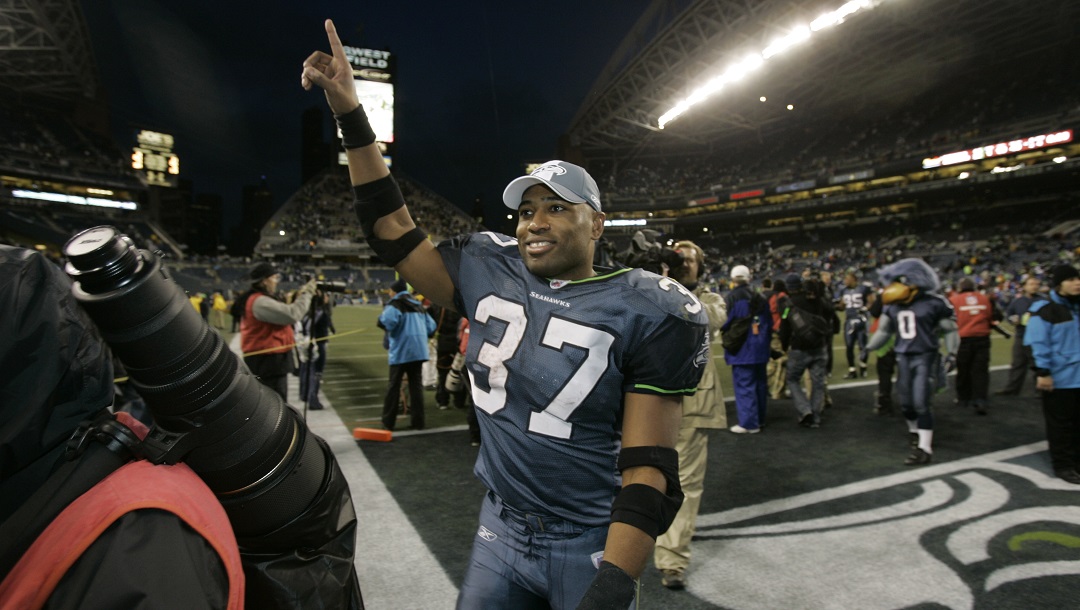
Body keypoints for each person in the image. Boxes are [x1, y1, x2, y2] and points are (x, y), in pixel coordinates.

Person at [303, 20, 710, 608]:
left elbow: (648, 469)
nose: (533, 222)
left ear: (596, 224)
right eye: (525, 210)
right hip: (499, 526)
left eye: (555, 208)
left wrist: (616, 580)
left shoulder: (647, 307)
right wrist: (349, 111)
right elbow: (390, 228)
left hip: (588, 538)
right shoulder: (487, 266)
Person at [653, 240, 727, 590]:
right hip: (645, 404)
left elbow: (705, 318)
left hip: (692, 406)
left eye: (691, 258)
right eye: (678, 257)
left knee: (686, 487)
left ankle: (671, 559)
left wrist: (668, 283)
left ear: (701, 267)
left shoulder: (711, 299)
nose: (684, 262)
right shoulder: (645, 286)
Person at [867, 258, 959, 465]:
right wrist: (868, 348)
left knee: (921, 402)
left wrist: (952, 353)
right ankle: (915, 432)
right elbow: (883, 331)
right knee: (906, 404)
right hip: (902, 357)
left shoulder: (934, 303)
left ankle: (925, 448)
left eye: (901, 281)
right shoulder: (893, 307)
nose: (895, 287)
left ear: (916, 282)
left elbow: (950, 329)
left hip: (925, 356)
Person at [1023, 264, 1080, 484]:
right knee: (1061, 425)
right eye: (1071, 280)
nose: (1077, 283)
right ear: (1059, 283)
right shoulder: (1045, 308)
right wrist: (1043, 372)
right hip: (1060, 378)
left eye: (1078, 279)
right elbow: (1036, 343)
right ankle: (1063, 465)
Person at [237, 262, 316, 400]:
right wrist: (307, 293)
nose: (276, 282)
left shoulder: (258, 298)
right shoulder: (260, 301)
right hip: (268, 362)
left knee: (273, 403)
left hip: (268, 360)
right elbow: (292, 314)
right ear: (264, 280)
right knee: (275, 404)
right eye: (274, 278)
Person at [378, 279, 435, 431]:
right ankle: (419, 422)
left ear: (394, 291)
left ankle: (388, 423)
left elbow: (387, 322)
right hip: (419, 352)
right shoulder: (418, 305)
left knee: (393, 387)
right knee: (416, 388)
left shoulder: (395, 303)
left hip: (401, 352)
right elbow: (431, 327)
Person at [780, 274, 835, 428]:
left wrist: (784, 347)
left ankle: (805, 411)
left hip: (799, 348)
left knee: (792, 379)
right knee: (818, 383)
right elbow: (829, 312)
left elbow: (784, 329)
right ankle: (816, 417)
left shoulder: (787, 304)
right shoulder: (815, 299)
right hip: (819, 346)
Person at [723, 264, 772, 434]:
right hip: (760, 347)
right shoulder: (760, 297)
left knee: (744, 385)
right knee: (760, 384)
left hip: (742, 348)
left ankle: (750, 423)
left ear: (733, 279)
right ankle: (760, 419)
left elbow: (724, 322)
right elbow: (769, 324)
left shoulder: (732, 298)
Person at [948, 277, 1003, 415]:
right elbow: (994, 317)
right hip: (982, 338)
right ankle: (980, 400)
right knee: (980, 371)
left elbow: (950, 320)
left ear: (960, 287)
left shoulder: (953, 300)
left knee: (963, 370)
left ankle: (963, 398)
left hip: (963, 339)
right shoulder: (985, 298)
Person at [997, 275, 1045, 396]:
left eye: (1036, 284)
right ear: (1024, 286)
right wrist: (1012, 319)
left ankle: (1041, 389)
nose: (1034, 286)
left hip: (1038, 338)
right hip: (1021, 336)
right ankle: (1012, 389)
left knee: (1038, 364)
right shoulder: (1018, 301)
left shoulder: (1044, 301)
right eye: (1031, 284)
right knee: (1017, 363)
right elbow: (1009, 314)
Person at [299, 290, 336, 410]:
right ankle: (313, 400)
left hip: (307, 343)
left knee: (306, 371)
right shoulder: (321, 313)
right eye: (325, 296)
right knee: (316, 373)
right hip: (318, 346)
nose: (327, 297)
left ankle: (304, 394)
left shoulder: (308, 313)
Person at [838, 271, 874, 379]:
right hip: (849, 321)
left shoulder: (863, 288)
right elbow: (842, 305)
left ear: (853, 279)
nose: (845, 281)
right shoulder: (844, 290)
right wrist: (838, 305)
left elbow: (871, 301)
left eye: (847, 279)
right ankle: (852, 370)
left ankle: (863, 368)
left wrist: (865, 309)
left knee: (863, 346)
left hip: (861, 320)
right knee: (849, 346)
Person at [428, 302, 464, 410]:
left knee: (443, 373)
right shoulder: (462, 305)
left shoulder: (437, 305)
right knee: (459, 373)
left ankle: (443, 401)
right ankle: (459, 402)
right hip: (458, 344)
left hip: (443, 343)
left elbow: (429, 321)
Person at [765, 278, 789, 400]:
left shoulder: (769, 296)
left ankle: (764, 385)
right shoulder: (782, 297)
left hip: (770, 330)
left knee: (772, 361)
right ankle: (778, 390)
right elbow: (784, 314)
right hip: (779, 330)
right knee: (782, 360)